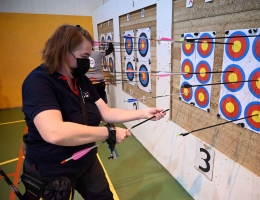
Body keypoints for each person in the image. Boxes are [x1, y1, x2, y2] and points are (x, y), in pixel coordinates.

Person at [21, 24, 166, 200]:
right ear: (62, 51)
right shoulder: (38, 83)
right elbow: (54, 132)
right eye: (84, 56)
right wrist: (109, 133)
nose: (87, 62)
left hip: (86, 161)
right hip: (53, 169)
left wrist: (144, 113)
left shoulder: (80, 80)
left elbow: (106, 112)